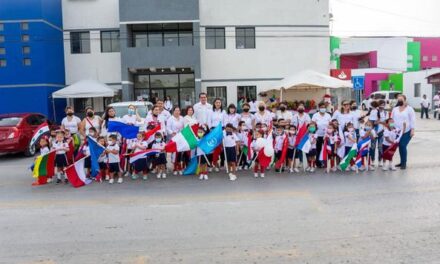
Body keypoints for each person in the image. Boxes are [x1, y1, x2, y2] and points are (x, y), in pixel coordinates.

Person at [391, 94, 416, 170]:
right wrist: (391, 127)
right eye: (398, 100)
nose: (400, 101)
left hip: (407, 131)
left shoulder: (409, 109)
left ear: (405, 100)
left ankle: (404, 163)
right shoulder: (395, 109)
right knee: (400, 147)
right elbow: (391, 119)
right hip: (397, 132)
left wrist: (412, 129)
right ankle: (402, 162)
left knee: (402, 145)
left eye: (401, 99)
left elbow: (412, 119)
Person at [312, 102, 332, 167]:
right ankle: (318, 163)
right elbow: (313, 125)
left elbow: (330, 124)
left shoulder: (328, 115)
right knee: (318, 149)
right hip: (318, 135)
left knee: (326, 148)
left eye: (324, 107)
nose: (323, 109)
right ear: (319, 108)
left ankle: (325, 162)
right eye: (321, 107)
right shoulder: (315, 115)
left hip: (326, 135)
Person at [167, 107, 185, 175]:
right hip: (173, 138)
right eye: (176, 110)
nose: (177, 112)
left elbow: (184, 127)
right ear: (173, 111)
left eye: (178, 110)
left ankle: (179, 167)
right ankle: (175, 168)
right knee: (174, 153)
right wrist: (172, 132)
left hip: (180, 138)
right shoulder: (170, 119)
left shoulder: (182, 118)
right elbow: (168, 128)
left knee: (180, 152)